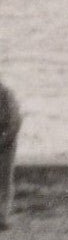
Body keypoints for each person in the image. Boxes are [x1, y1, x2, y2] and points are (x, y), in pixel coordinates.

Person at [0, 76, 20, 231]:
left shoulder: (6, 95)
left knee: (5, 181)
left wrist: (4, 140)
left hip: (7, 143)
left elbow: (14, 122)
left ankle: (3, 217)